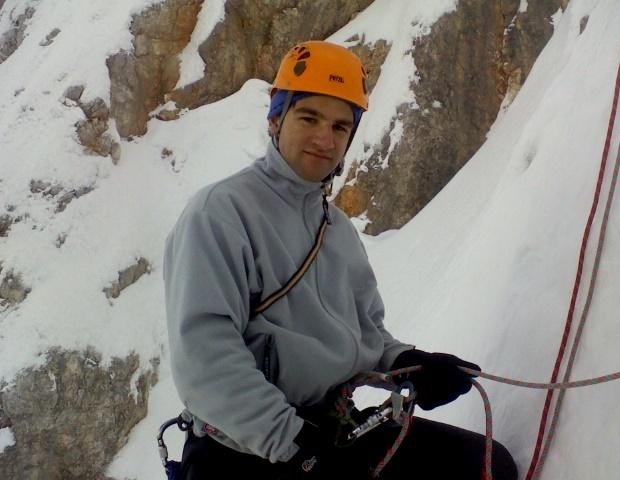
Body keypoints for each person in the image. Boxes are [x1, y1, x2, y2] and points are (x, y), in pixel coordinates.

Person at [164, 40, 517, 479]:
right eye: (309, 118)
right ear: (275, 119)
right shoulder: (220, 214)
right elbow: (205, 359)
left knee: (487, 467)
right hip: (244, 451)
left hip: (328, 433)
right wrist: (297, 446)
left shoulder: (337, 230)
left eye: (340, 126)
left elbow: (365, 333)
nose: (324, 139)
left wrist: (409, 364)